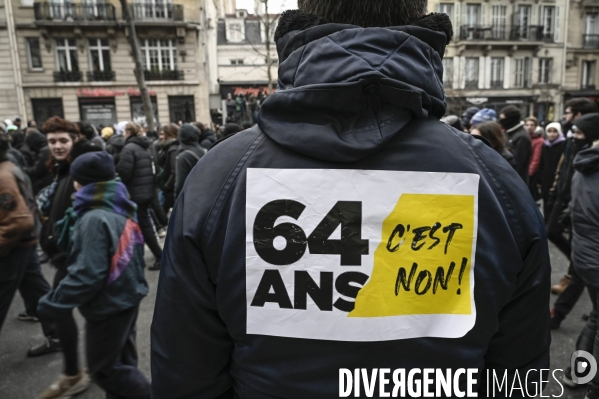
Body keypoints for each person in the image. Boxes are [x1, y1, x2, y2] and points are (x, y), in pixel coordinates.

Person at [151, 3, 550, 397]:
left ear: (299, 19)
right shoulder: (495, 182)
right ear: (424, 17)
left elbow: (186, 375)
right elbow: (521, 376)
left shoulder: (221, 175)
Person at [38, 151, 150, 399]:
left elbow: (87, 274)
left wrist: (52, 303)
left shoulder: (94, 218)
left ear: (80, 182)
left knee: (104, 370)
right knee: (122, 361)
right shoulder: (117, 202)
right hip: (127, 294)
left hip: (109, 304)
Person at [37, 116, 99, 397]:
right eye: (52, 142)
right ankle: (84, 370)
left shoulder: (81, 168)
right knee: (95, 314)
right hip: (63, 254)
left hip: (72, 256)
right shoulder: (62, 167)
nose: (57, 146)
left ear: (74, 140)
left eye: (63, 140)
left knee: (61, 308)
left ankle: (75, 372)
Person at [561, 112, 599, 395]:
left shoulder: (583, 166)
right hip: (594, 253)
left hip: (585, 252)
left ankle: (579, 372)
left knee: (597, 317)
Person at [549, 98, 598, 297]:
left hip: (574, 198)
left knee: (557, 232)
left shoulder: (588, 144)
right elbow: (565, 166)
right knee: (552, 231)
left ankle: (574, 272)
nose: (564, 116)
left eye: (568, 112)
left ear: (578, 114)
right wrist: (555, 188)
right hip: (564, 194)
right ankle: (576, 269)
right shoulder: (573, 139)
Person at [116, 122, 163, 271]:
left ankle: (158, 256)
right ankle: (150, 257)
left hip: (134, 194)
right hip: (146, 191)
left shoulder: (128, 149)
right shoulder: (146, 147)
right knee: (144, 225)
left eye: (124, 131)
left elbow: (124, 173)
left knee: (141, 226)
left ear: (129, 132)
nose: (123, 133)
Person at [539, 122, 566, 220]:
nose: (552, 134)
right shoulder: (545, 145)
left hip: (557, 179)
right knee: (546, 201)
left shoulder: (563, 145)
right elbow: (542, 163)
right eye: (549, 131)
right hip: (546, 179)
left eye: (555, 131)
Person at [499, 106, 531, 184]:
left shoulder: (522, 137)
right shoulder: (508, 133)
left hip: (516, 182)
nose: (500, 121)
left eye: (503, 118)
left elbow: (518, 164)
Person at [175, 124, 205, 198]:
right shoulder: (205, 151)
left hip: (190, 198)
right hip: (205, 195)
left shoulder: (183, 157)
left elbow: (180, 185)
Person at [157, 123, 179, 214]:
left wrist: (166, 186)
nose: (160, 137)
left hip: (170, 190)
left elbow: (174, 171)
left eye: (163, 134)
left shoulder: (173, 149)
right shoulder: (167, 148)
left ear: (170, 134)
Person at [526, 117, 543, 201]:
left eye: (532, 125)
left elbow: (536, 158)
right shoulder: (525, 137)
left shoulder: (539, 140)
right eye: (527, 125)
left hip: (532, 172)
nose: (529, 127)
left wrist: (529, 172)